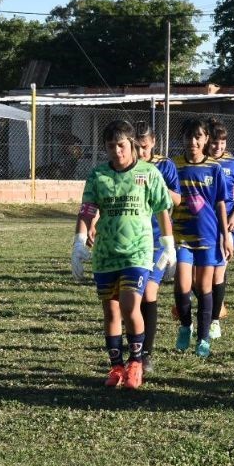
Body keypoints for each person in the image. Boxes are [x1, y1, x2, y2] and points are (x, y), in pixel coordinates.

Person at [71, 120, 175, 388]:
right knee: (111, 312)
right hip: (106, 253)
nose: (116, 151)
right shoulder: (98, 175)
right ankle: (116, 367)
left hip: (138, 252)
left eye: (121, 145)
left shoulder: (149, 173)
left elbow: (163, 208)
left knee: (130, 306)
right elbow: (87, 210)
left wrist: (168, 244)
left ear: (132, 145)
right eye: (110, 146)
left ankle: (136, 363)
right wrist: (79, 242)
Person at [170, 118, 231, 359]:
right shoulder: (174, 166)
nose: (193, 142)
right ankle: (186, 326)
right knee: (182, 286)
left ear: (206, 139)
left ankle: (204, 338)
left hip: (208, 236)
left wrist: (226, 235)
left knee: (205, 287)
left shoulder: (215, 168)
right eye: (188, 136)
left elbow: (220, 204)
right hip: (182, 236)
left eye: (198, 137)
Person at [136, 122, 181, 372]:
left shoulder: (165, 165)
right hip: (132, 239)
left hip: (156, 239)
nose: (141, 152)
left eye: (144, 147)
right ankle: (133, 348)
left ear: (153, 142)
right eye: (136, 147)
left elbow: (177, 199)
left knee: (148, 294)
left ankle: (146, 354)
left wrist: (158, 185)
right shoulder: (129, 166)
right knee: (131, 298)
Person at [207, 119, 234, 340]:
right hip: (204, 226)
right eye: (214, 143)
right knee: (200, 277)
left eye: (222, 143)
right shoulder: (200, 163)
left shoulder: (233, 164)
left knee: (218, 272)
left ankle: (214, 320)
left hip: (227, 228)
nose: (218, 147)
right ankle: (216, 305)